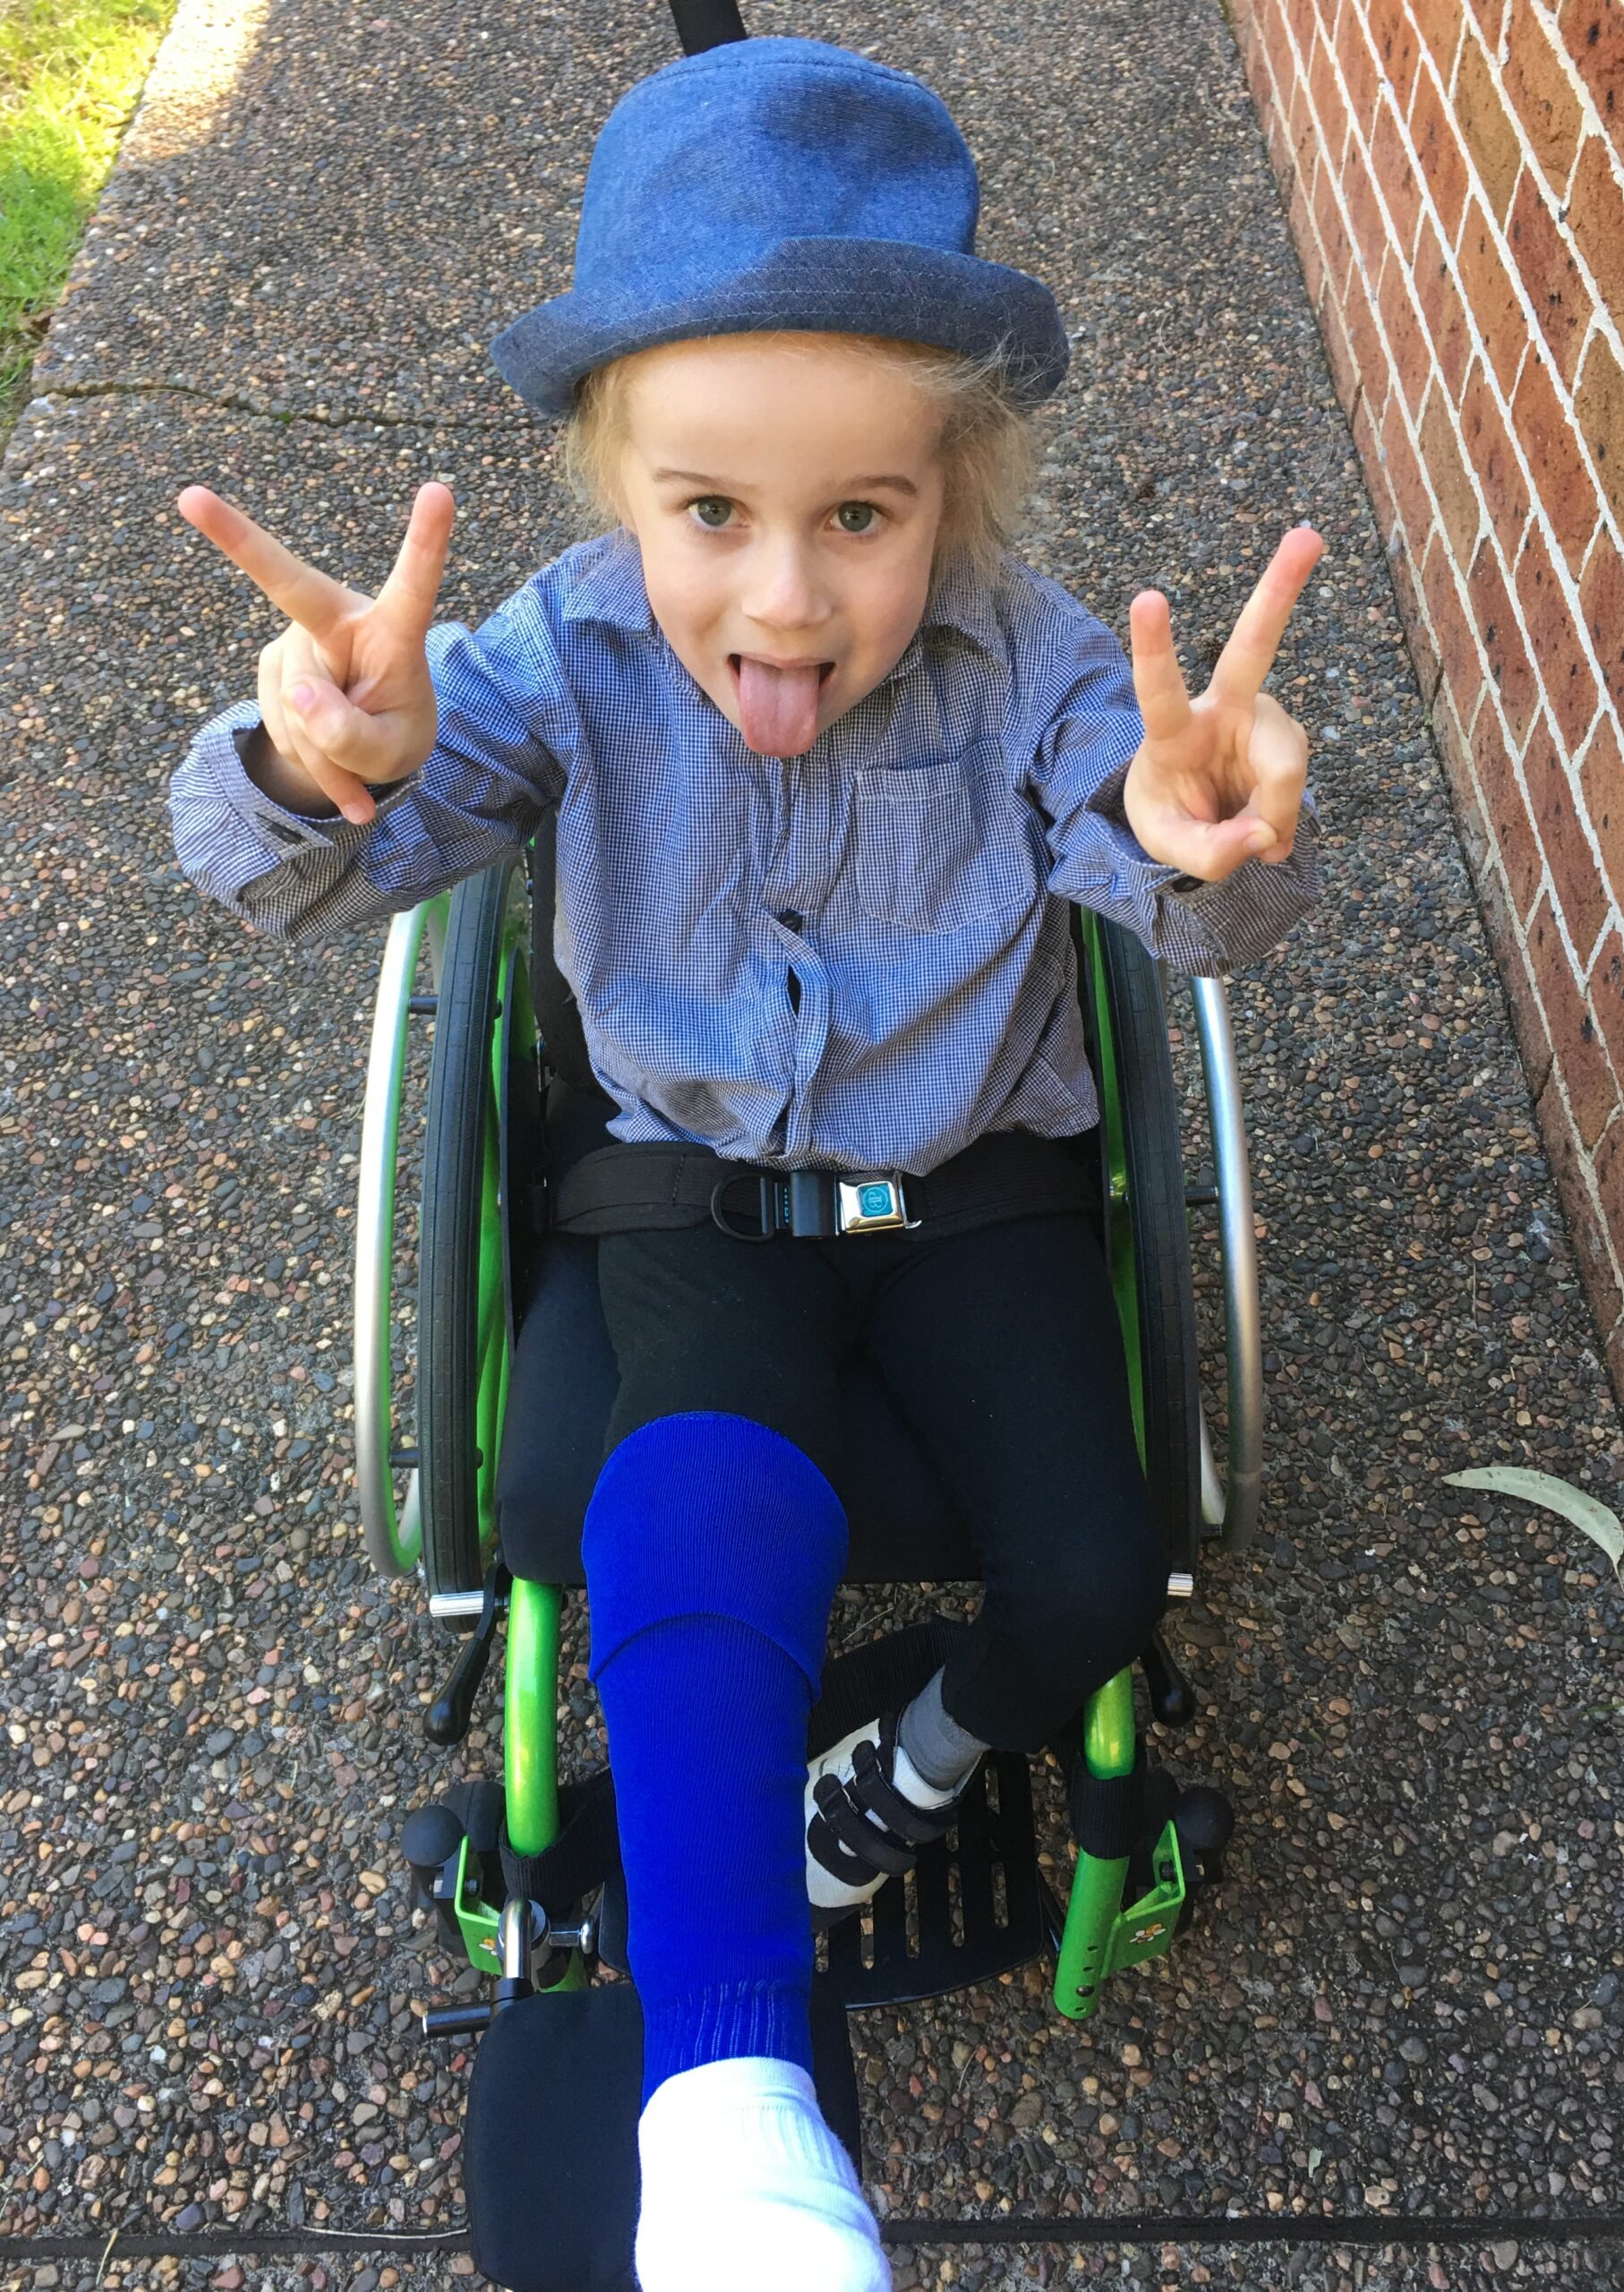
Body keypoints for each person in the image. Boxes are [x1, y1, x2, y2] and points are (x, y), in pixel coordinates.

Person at [168, 34, 1322, 2291]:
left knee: (1103, 1566)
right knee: (686, 1488)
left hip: (974, 1182)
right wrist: (325, 770)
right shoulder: (559, 651)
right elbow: (330, 859)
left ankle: (889, 1782)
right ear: (620, 490)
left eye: (860, 519)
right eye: (711, 512)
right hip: (691, 1190)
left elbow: (1161, 854)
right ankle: (729, 2113)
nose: (784, 601)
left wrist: (1205, 840)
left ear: (954, 498)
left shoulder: (1041, 661)